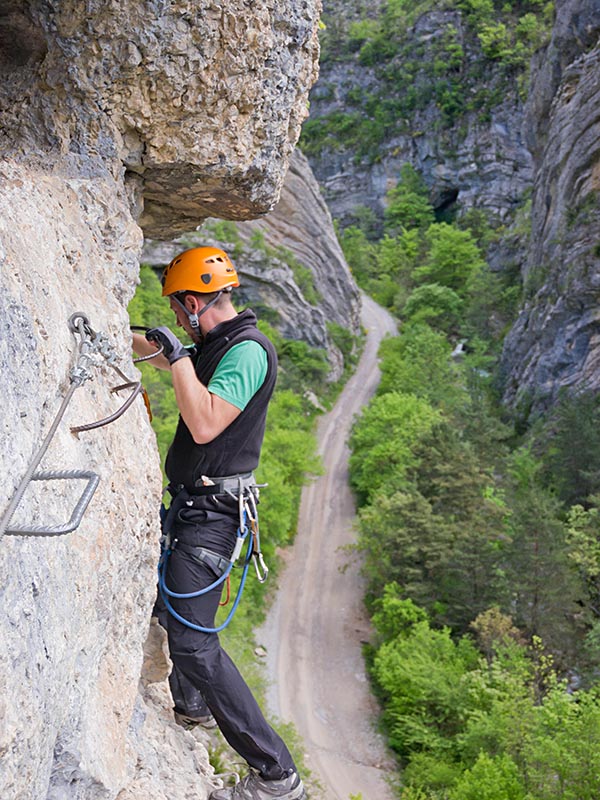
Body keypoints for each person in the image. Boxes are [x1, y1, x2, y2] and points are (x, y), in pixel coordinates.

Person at [132, 246, 305, 800]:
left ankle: (275, 774)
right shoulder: (214, 346)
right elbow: (163, 356)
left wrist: (179, 355)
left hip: (213, 517)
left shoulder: (248, 352)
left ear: (191, 301)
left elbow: (205, 424)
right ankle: (193, 706)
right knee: (165, 602)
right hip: (194, 508)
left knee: (193, 641)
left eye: (180, 310)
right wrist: (121, 337)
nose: (179, 320)